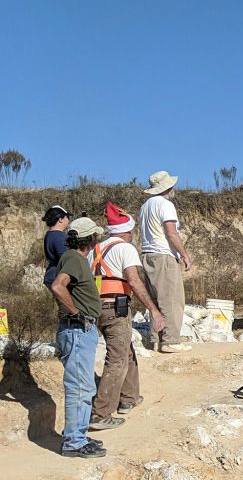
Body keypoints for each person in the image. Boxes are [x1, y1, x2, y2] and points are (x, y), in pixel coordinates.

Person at [88, 202, 167, 430]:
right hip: (116, 308)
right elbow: (133, 280)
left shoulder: (95, 250)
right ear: (127, 231)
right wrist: (153, 309)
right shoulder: (126, 249)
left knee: (125, 350)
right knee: (117, 359)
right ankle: (101, 412)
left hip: (97, 309)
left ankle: (128, 398)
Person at [50, 217, 105, 458]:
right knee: (80, 387)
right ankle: (73, 442)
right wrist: (77, 314)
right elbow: (58, 286)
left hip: (78, 330)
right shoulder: (74, 258)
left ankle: (77, 434)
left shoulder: (76, 258)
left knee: (83, 385)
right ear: (89, 239)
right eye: (95, 235)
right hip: (76, 330)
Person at [139, 171, 193, 353]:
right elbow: (171, 232)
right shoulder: (166, 205)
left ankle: (156, 339)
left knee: (154, 300)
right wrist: (184, 254)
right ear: (168, 187)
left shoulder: (145, 206)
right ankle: (170, 341)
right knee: (172, 299)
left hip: (146, 254)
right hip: (163, 255)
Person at [42, 205, 72, 292]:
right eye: (67, 217)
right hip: (59, 278)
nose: (68, 220)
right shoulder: (59, 237)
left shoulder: (49, 235)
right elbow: (66, 259)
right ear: (60, 219)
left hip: (51, 275)